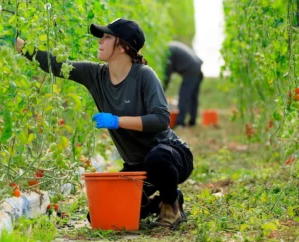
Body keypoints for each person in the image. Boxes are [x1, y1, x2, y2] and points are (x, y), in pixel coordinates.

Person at [14, 18, 193, 229]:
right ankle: (154, 203)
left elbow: (161, 119)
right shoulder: (96, 75)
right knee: (101, 215)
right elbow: (55, 65)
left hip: (171, 158)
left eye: (107, 37)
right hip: (137, 168)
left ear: (124, 46)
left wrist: (117, 121)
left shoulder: (144, 76)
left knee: (157, 157)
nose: (100, 41)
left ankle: (170, 206)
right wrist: (21, 46)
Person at [163, 41, 203, 128]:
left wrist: (161, 89)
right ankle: (192, 121)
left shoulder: (168, 52)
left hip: (191, 69)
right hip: (197, 66)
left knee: (184, 96)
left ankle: (180, 122)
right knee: (193, 96)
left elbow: (168, 73)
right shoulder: (171, 47)